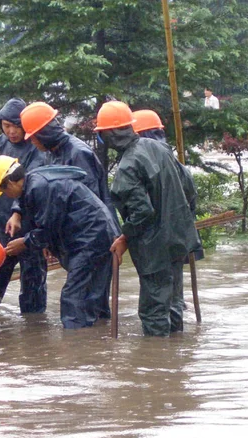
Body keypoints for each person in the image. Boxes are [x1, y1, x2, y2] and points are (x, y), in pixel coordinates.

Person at [95, 101, 199, 337]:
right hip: (178, 240)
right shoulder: (157, 147)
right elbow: (189, 187)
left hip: (154, 248)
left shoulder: (127, 167)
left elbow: (142, 212)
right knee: (173, 303)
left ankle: (156, 364)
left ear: (109, 136)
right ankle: (175, 361)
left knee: (153, 310)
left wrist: (124, 237)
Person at [0, 156, 121, 329]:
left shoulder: (40, 187)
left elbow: (47, 229)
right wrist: (17, 213)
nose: (6, 196)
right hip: (99, 233)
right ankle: (99, 342)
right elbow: (41, 213)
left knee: (73, 298)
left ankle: (77, 345)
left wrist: (25, 242)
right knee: (93, 296)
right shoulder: (35, 179)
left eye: (3, 191)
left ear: (10, 183)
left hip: (91, 239)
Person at [18, 101, 118, 318]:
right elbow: (49, 203)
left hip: (93, 235)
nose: (32, 142)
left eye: (34, 136)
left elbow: (87, 205)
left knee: (85, 299)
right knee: (89, 299)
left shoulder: (78, 153)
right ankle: (97, 344)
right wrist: (51, 241)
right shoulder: (50, 154)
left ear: (44, 133)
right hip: (80, 238)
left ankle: (86, 344)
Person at [0, 98, 48, 314]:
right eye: (6, 126)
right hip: (0, 222)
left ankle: (34, 329)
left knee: (33, 281)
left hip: (28, 222)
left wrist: (17, 212)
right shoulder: (1, 143)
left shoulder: (36, 146)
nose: (11, 131)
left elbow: (32, 184)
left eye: (15, 126)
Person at [132, 109, 203, 313]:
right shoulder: (174, 164)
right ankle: (174, 335)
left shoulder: (150, 164)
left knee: (162, 296)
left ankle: (166, 336)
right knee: (173, 292)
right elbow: (190, 200)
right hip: (177, 238)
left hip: (160, 240)